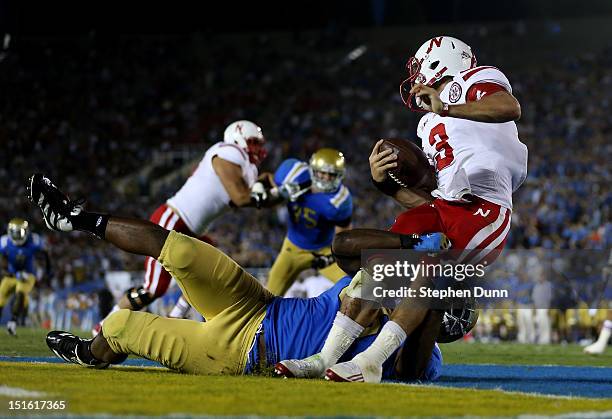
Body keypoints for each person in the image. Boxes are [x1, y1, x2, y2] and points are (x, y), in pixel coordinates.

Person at [277, 35, 528, 382]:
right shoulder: (426, 124)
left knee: (428, 265)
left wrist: (447, 107)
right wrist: (384, 183)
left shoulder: (474, 79)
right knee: (377, 265)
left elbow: (508, 107)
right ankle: (324, 358)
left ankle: (371, 362)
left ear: (440, 61)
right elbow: (427, 194)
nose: (416, 76)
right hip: (444, 205)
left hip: (483, 209)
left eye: (420, 65)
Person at [28, 173, 446, 381]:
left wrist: (428, 306)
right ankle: (73, 217)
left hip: (241, 351)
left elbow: (413, 364)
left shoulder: (423, 355)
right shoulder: (387, 277)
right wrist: (412, 239)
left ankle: (94, 353)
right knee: (182, 248)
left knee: (119, 325)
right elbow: (346, 246)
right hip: (257, 303)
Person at [94, 120, 270, 333]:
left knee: (208, 273)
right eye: (252, 142)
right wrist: (274, 191)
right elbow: (242, 198)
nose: (257, 148)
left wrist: (269, 189)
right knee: (153, 289)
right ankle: (103, 327)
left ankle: (175, 317)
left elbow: (251, 196)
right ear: (237, 139)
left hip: (193, 231)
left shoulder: (246, 168)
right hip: (173, 220)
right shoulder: (227, 152)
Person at [264, 148, 352, 296]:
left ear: (339, 176)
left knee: (356, 288)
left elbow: (344, 231)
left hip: (324, 252)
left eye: (330, 175)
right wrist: (261, 188)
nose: (325, 178)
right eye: (321, 173)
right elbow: (268, 180)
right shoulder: (294, 173)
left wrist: (333, 255)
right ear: (312, 170)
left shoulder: (339, 200)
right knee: (267, 296)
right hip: (292, 248)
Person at [0, 218, 49, 335]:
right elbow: (2, 262)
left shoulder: (34, 241)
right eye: (15, 233)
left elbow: (45, 256)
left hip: (28, 274)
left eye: (20, 233)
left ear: (26, 231)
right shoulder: (4, 241)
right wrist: (7, 272)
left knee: (20, 293)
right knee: (1, 297)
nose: (17, 236)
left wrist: (46, 271)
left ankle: (13, 321)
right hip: (11, 275)